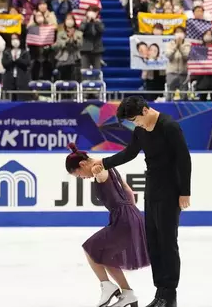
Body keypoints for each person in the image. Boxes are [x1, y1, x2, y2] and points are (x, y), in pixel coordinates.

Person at [91, 96, 191, 307]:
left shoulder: (169, 126)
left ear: (145, 111)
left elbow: (184, 159)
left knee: (167, 242)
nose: (134, 124)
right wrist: (104, 163)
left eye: (135, 119)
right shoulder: (141, 130)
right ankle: (160, 293)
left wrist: (185, 192)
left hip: (171, 190)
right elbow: (130, 152)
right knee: (153, 242)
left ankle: (170, 296)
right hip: (152, 188)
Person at [65, 143, 149, 307]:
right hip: (132, 215)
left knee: (90, 248)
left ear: (82, 165)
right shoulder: (109, 166)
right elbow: (129, 191)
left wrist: (97, 171)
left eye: (80, 176)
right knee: (106, 256)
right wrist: (131, 213)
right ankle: (127, 293)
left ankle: (107, 286)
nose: (84, 178)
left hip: (124, 218)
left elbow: (99, 172)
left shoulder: (99, 169)